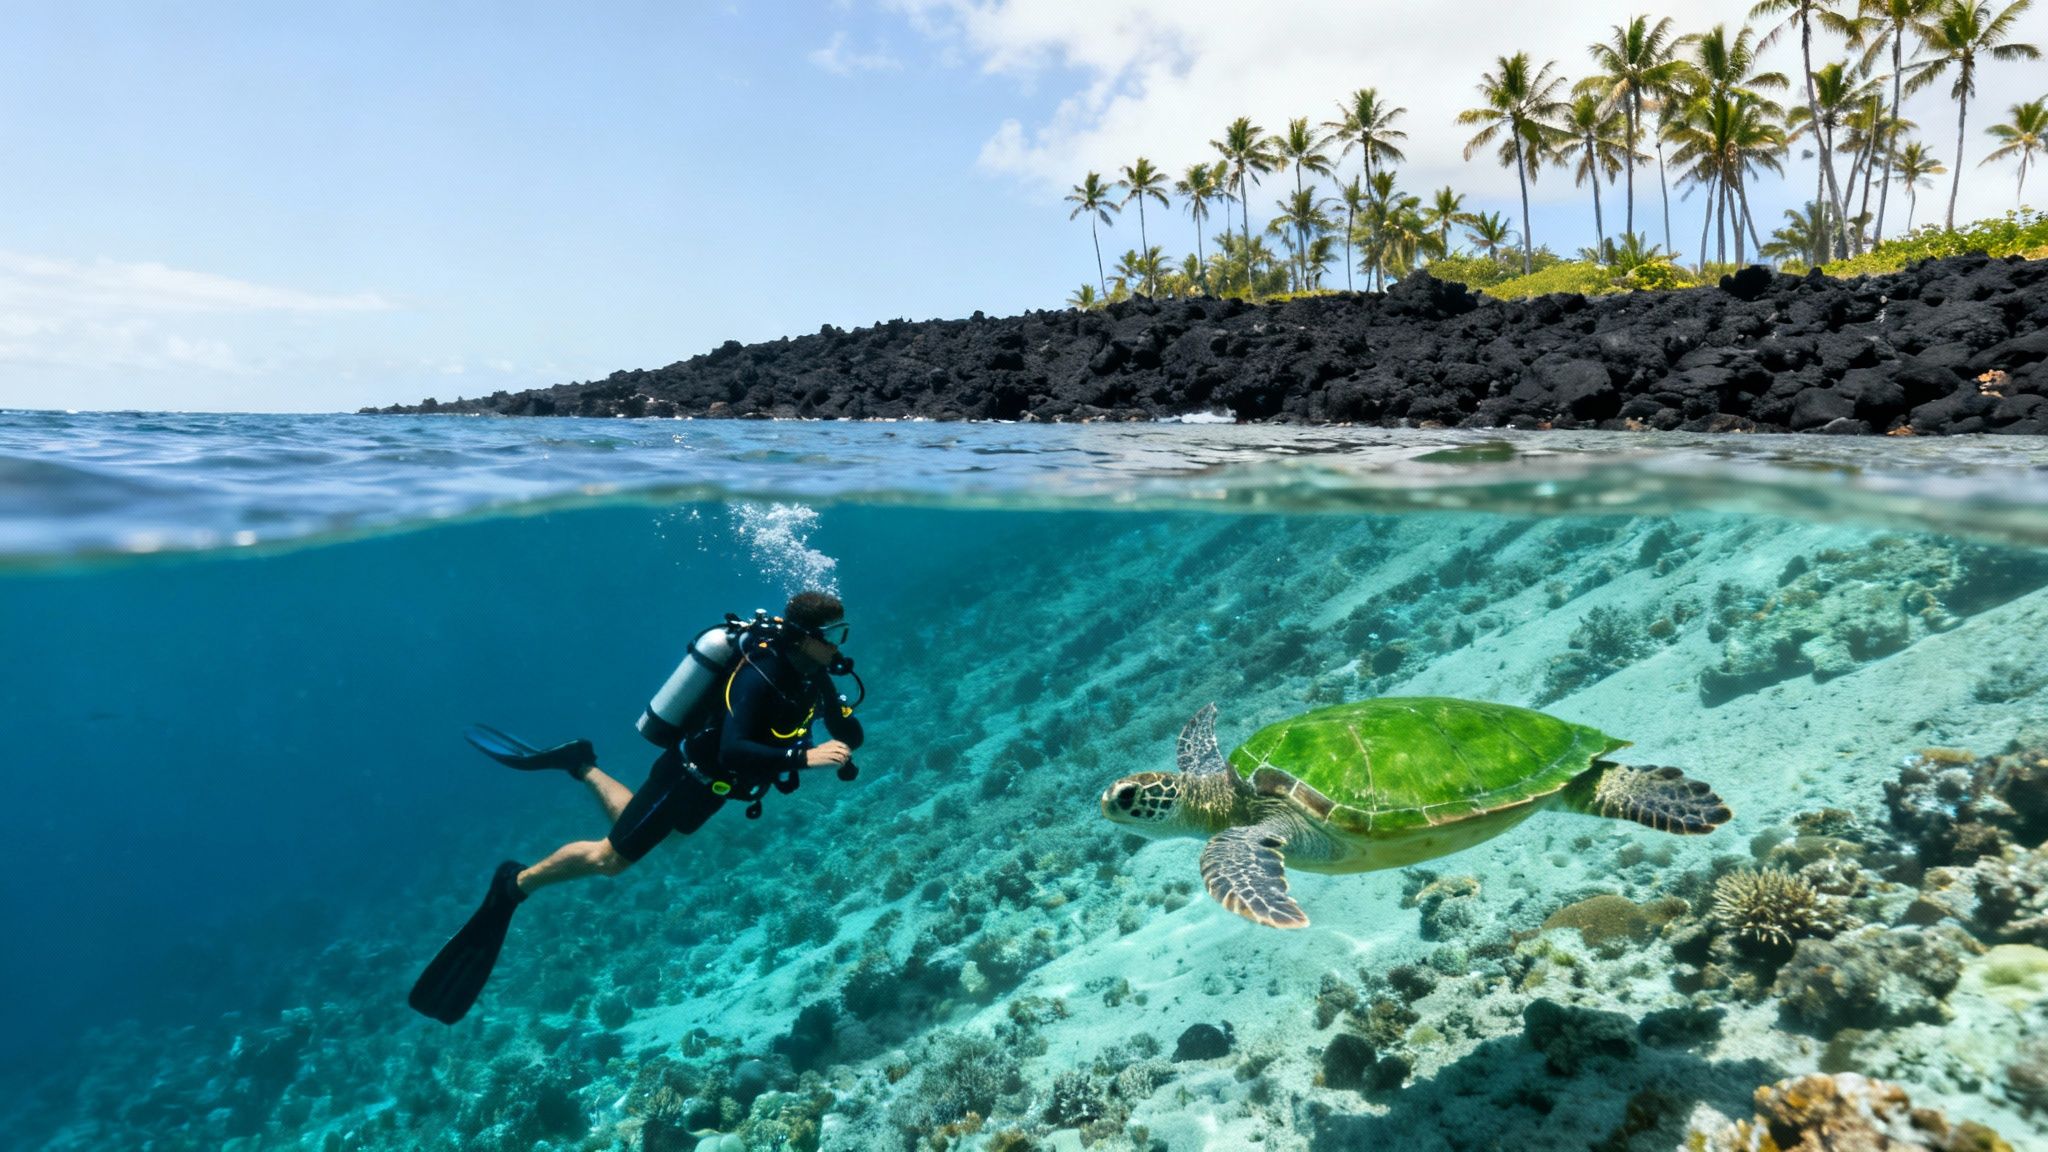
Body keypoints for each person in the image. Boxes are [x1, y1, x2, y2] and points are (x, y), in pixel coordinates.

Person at [408, 589, 864, 1024]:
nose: (840, 643)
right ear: (806, 636)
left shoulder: (811, 670)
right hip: (686, 779)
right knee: (610, 860)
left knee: (674, 838)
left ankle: (580, 765)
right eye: (835, 633)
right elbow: (732, 749)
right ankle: (514, 885)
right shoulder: (759, 672)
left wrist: (842, 724)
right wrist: (802, 757)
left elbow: (845, 729)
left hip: (717, 788)